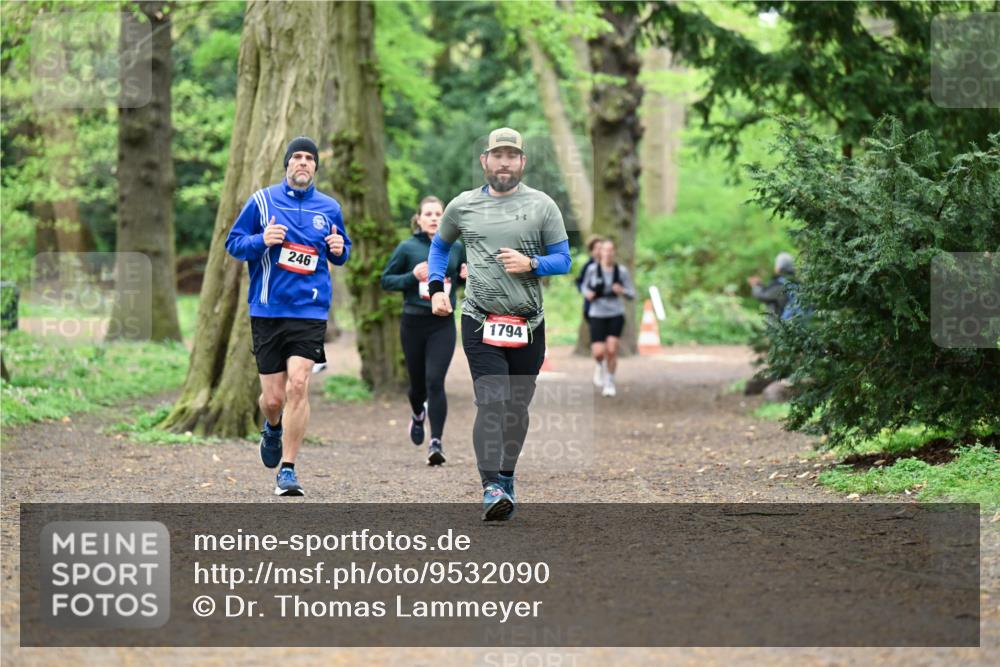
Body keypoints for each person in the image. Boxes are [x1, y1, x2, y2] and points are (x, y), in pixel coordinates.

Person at [427, 127, 571, 521]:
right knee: (491, 404)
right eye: (498, 155)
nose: (504, 162)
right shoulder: (463, 206)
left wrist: (533, 263)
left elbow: (564, 259)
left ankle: (506, 475)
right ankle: (490, 486)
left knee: (516, 410)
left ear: (522, 162)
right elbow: (440, 246)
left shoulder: (543, 206)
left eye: (512, 155)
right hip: (479, 321)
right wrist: (437, 289)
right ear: (485, 161)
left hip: (527, 323)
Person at [225, 136, 351, 496]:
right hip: (267, 308)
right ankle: (273, 426)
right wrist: (261, 240)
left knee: (299, 384)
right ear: (287, 164)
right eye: (296, 157)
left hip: (309, 309)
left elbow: (341, 250)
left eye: (309, 158)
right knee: (274, 398)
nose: (303, 163)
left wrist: (340, 248)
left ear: (314, 167)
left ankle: (289, 469)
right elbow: (233, 243)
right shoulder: (262, 201)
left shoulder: (328, 207)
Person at [380, 196, 467, 466]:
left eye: (438, 213)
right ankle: (418, 414)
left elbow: (460, 282)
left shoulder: (456, 248)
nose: (433, 218)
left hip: (442, 324)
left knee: (434, 381)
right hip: (413, 323)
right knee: (417, 386)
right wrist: (411, 277)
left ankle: (436, 442)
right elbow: (386, 280)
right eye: (428, 213)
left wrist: (465, 277)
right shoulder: (407, 248)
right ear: (418, 219)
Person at [580, 240, 635, 397]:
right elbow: (584, 286)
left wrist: (622, 290)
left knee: (611, 350)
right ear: (600, 252)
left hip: (615, 314)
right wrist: (588, 294)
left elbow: (632, 293)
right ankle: (599, 365)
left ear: (614, 252)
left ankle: (609, 381)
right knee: (598, 352)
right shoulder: (592, 269)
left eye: (611, 250)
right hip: (597, 314)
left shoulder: (621, 271)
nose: (608, 253)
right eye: (605, 250)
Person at [748, 252, 795, 321]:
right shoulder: (794, 282)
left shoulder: (781, 284)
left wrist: (755, 285)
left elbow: (763, 295)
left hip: (782, 327)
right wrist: (760, 284)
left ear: (778, 267)